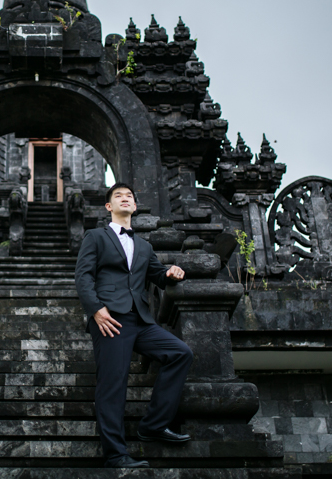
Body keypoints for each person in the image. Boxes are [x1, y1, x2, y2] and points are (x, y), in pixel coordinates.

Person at [74, 182, 194, 469]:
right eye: (118, 196)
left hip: (141, 320)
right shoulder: (95, 236)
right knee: (113, 385)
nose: (124, 199)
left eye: (129, 196)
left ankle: (153, 424)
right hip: (111, 320)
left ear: (135, 206)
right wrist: (96, 311)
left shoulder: (144, 245)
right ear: (108, 206)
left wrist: (172, 272)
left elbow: (157, 274)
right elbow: (83, 277)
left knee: (180, 353)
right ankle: (115, 455)